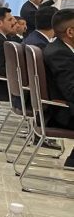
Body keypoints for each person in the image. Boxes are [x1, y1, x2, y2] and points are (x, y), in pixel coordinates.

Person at [42, 9, 74, 168]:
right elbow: (71, 92)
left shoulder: (58, 49)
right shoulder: (60, 54)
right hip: (61, 113)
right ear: (70, 32)